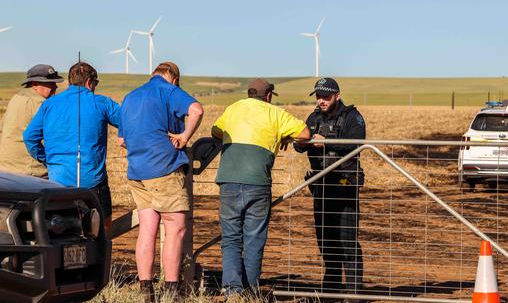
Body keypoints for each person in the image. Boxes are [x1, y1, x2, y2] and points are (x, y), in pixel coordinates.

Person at [211, 78, 310, 297]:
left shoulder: (234, 108)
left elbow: (215, 131)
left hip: (228, 181)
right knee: (254, 239)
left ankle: (232, 291)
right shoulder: (275, 113)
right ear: (268, 96)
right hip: (258, 183)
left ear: (248, 94)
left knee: (231, 238)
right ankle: (250, 291)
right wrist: (282, 134)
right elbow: (305, 134)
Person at [118, 61, 204, 302]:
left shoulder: (130, 96)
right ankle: (172, 291)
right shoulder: (169, 91)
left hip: (137, 171)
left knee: (147, 230)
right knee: (175, 228)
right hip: (164, 168)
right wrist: (185, 136)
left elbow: (121, 140)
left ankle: (146, 291)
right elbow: (196, 110)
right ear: (174, 78)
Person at [23, 61, 120, 233]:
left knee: (59, 229)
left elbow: (29, 137)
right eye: (95, 84)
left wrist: (47, 160)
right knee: (101, 230)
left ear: (69, 82)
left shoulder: (49, 104)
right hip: (92, 181)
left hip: (57, 180)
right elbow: (131, 122)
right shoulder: (102, 103)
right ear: (90, 82)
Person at [294, 77, 366, 297]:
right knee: (325, 239)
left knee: (347, 240)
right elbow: (298, 144)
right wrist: (300, 142)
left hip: (344, 187)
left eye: (326, 96)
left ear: (337, 95)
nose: (321, 101)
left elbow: (357, 143)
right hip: (321, 188)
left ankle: (354, 293)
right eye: (318, 96)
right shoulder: (313, 117)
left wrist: (326, 142)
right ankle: (331, 290)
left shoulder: (353, 117)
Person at [0, 64, 63, 177]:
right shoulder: (42, 104)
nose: (55, 87)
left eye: (55, 83)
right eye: (50, 84)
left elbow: (2, 127)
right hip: (31, 171)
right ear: (34, 84)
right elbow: (56, 138)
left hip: (6, 168)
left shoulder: (16, 98)